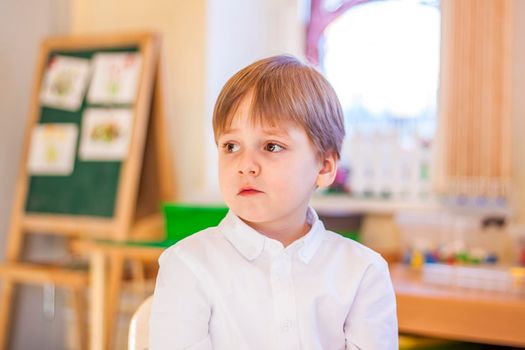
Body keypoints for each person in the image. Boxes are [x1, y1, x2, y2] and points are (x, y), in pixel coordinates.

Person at [149, 55, 398, 349]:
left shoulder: (363, 272)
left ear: (325, 167)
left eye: (271, 146)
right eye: (231, 146)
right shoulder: (187, 265)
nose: (246, 165)